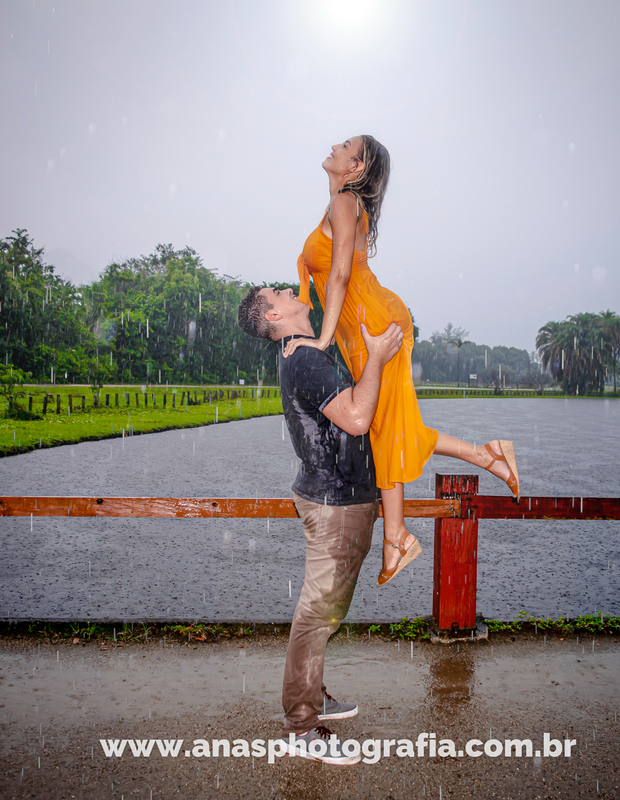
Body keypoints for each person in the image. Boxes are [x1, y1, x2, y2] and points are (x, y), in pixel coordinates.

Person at [281, 135, 520, 587]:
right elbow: (336, 275)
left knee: (386, 427)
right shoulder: (340, 204)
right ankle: (484, 459)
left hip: (372, 323)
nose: (335, 144)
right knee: (389, 425)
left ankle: (398, 536)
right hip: (363, 325)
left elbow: (341, 275)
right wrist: (327, 336)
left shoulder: (345, 202)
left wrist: (322, 340)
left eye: (346, 145)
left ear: (355, 168)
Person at [237, 284, 404, 766]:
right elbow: (355, 419)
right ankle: (302, 725)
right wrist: (375, 358)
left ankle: (313, 697)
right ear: (274, 313)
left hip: (337, 496)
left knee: (327, 609)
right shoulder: (306, 360)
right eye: (281, 292)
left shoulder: (304, 352)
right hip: (335, 502)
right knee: (317, 613)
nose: (292, 290)